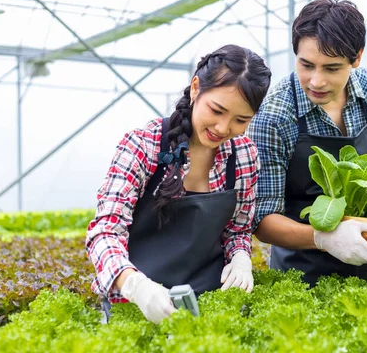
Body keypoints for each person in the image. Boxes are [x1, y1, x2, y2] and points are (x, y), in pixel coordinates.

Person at [86, 44, 272, 324]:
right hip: (137, 307)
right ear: (196, 88)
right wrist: (135, 286)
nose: (223, 128)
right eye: (217, 110)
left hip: (211, 308)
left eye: (240, 120)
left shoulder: (244, 155)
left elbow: (238, 231)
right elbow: (105, 231)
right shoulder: (142, 146)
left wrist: (240, 258)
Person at [246, 0, 367, 287]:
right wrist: (326, 237)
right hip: (297, 271)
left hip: (366, 253)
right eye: (306, 65)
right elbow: (263, 221)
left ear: (357, 57)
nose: (316, 81)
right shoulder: (273, 116)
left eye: (332, 68)